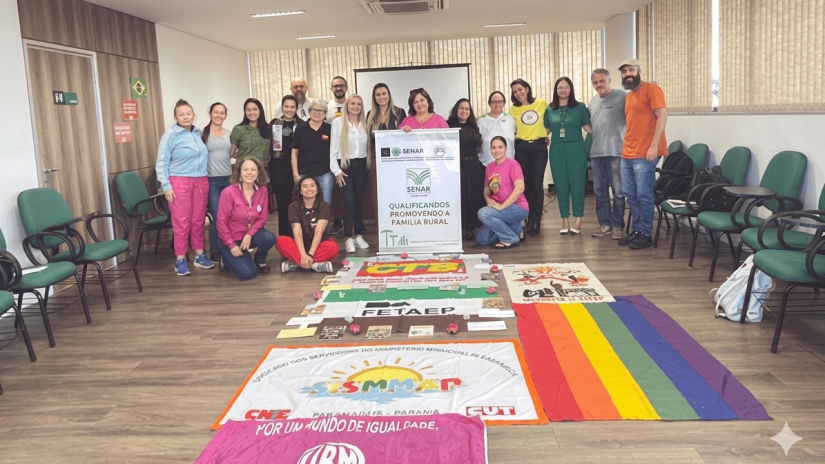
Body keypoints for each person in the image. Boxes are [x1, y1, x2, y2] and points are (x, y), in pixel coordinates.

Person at [155, 99, 214, 276]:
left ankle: (199, 256)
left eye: (188, 113)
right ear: (175, 117)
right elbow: (162, 163)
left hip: (201, 181)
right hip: (179, 182)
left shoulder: (197, 133)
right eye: (181, 114)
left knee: (198, 221)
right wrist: (166, 186)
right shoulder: (170, 136)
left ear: (193, 115)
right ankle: (180, 260)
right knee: (181, 223)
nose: (185, 117)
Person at [618, 58, 668, 250]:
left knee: (644, 194)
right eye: (624, 72)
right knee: (630, 194)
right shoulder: (629, 95)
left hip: (646, 152)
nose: (627, 74)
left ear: (639, 71)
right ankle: (638, 230)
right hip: (628, 152)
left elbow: (662, 116)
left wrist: (654, 145)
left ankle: (646, 233)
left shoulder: (652, 89)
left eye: (631, 70)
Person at [543, 77, 592, 235]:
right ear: (555, 90)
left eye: (566, 87)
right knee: (561, 185)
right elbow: (546, 130)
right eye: (559, 87)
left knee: (577, 185)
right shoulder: (550, 109)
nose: (563, 90)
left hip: (576, 148)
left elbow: (588, 128)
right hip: (556, 149)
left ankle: (578, 219)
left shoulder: (580, 107)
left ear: (571, 89)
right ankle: (564, 219)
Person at [215, 158, 276, 280]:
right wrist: (231, 244)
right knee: (247, 273)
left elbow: (262, 218)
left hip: (249, 236)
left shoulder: (262, 190)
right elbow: (221, 222)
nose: (249, 173)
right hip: (230, 239)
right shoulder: (228, 192)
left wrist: (249, 234)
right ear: (239, 172)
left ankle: (259, 260)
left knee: (269, 238)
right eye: (245, 169)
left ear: (258, 172)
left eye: (253, 169)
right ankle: (226, 259)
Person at [588, 68, 627, 240]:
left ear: (609, 80)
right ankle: (605, 224)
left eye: (602, 81)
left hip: (617, 152)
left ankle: (617, 225)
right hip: (597, 153)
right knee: (600, 191)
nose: (599, 85)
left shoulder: (623, 97)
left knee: (618, 192)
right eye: (595, 82)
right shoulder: (593, 102)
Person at [330, 95, 370, 253]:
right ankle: (348, 238)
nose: (355, 106)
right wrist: (336, 171)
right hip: (344, 167)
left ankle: (358, 235)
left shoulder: (365, 124)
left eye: (359, 104)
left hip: (361, 167)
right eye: (352, 103)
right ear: (347, 105)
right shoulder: (337, 123)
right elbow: (333, 151)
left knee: (359, 203)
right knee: (348, 204)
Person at [364, 83, 407, 233]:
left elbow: (403, 136)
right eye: (378, 94)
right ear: (374, 97)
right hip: (376, 160)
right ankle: (381, 226)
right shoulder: (370, 115)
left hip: (395, 161)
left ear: (389, 95)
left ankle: (398, 223)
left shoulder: (399, 112)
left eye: (384, 93)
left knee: (396, 192)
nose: (381, 97)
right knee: (378, 195)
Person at [509, 79, 549, 236]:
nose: (518, 94)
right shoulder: (513, 110)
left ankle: (537, 220)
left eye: (520, 90)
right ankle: (528, 218)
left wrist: (546, 134)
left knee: (537, 184)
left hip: (539, 148)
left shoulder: (541, 103)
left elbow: (550, 122)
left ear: (527, 89)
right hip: (522, 148)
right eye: (515, 92)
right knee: (525, 186)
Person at [276, 176, 339, 273]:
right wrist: (303, 254)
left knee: (333, 248)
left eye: (312, 186)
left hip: (318, 244)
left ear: (317, 189)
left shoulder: (324, 206)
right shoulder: (293, 206)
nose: (309, 189)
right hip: (299, 244)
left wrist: (310, 255)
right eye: (305, 186)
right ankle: (315, 265)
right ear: (300, 191)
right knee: (280, 241)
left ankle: (296, 264)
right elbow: (297, 232)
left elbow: (319, 232)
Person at [476, 136, 529, 248]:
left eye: (500, 147)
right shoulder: (489, 167)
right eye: (493, 148)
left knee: (483, 213)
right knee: (482, 239)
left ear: (506, 148)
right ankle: (516, 228)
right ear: (490, 150)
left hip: (518, 208)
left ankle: (509, 238)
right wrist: (487, 198)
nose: (497, 150)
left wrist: (501, 206)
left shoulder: (513, 164)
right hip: (499, 210)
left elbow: (520, 188)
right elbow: (487, 189)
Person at [447, 98, 485, 240]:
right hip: (456, 167)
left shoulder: (474, 126)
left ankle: (470, 227)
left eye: (467, 109)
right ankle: (459, 227)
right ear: (456, 110)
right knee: (460, 197)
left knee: (473, 196)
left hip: (474, 165)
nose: (464, 111)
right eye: (461, 108)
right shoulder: (448, 126)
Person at [269, 95, 305, 237]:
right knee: (283, 205)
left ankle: (298, 237)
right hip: (278, 170)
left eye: (292, 107)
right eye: (286, 106)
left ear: (296, 108)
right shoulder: (274, 123)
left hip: (296, 170)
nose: (289, 109)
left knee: (297, 204)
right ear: (282, 107)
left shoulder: (302, 125)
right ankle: (285, 238)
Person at [202, 102, 232, 261]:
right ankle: (215, 250)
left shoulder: (228, 133)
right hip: (211, 180)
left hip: (228, 179)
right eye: (216, 112)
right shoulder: (203, 134)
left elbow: (232, 153)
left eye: (222, 113)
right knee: (217, 216)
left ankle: (228, 245)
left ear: (225, 115)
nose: (219, 115)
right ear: (210, 114)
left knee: (229, 215)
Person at [291, 99, 335, 206]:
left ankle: (322, 223)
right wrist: (296, 174)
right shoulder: (301, 129)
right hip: (304, 174)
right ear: (309, 111)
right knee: (305, 206)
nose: (317, 113)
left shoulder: (330, 129)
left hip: (325, 174)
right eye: (314, 110)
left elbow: (335, 152)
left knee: (324, 205)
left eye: (321, 111)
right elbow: (294, 153)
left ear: (325, 114)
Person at [325, 76, 348, 234]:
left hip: (349, 153)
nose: (338, 88)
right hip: (332, 153)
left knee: (348, 190)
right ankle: (337, 221)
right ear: (331, 89)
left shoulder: (352, 104)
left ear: (346, 88)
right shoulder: (326, 107)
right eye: (335, 86)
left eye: (341, 86)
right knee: (335, 192)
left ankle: (352, 220)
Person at [477, 91, 516, 166]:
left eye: (500, 101)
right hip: (486, 163)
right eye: (494, 102)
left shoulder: (511, 119)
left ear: (504, 103)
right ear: (489, 104)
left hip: (508, 163)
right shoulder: (481, 121)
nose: (497, 104)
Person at [230, 98, 271, 167]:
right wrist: (244, 156)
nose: (252, 113)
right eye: (248, 110)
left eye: (255, 109)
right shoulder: (239, 129)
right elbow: (231, 153)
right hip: (244, 170)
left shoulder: (268, 129)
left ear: (260, 111)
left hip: (263, 170)